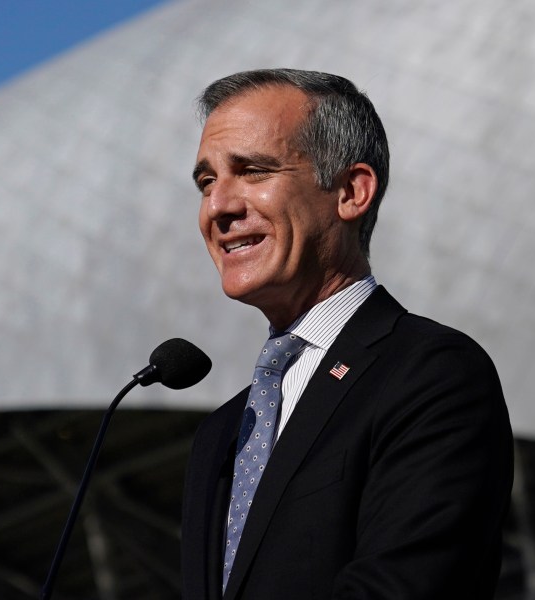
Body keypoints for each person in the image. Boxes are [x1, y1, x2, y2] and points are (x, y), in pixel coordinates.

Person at [181, 69, 513, 599]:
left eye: (252, 171)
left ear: (351, 192)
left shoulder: (431, 374)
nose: (219, 206)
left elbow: (405, 586)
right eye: (207, 182)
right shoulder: (222, 434)